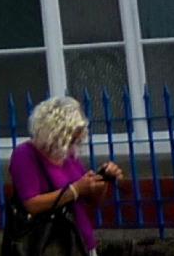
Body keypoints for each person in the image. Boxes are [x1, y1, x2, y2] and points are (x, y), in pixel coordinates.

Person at [8, 95, 128, 251]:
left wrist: (101, 180)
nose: (74, 143)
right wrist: (75, 190)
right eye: (70, 137)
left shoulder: (67, 155)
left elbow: (94, 201)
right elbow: (31, 204)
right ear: (54, 131)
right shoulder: (24, 155)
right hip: (47, 245)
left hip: (80, 241)